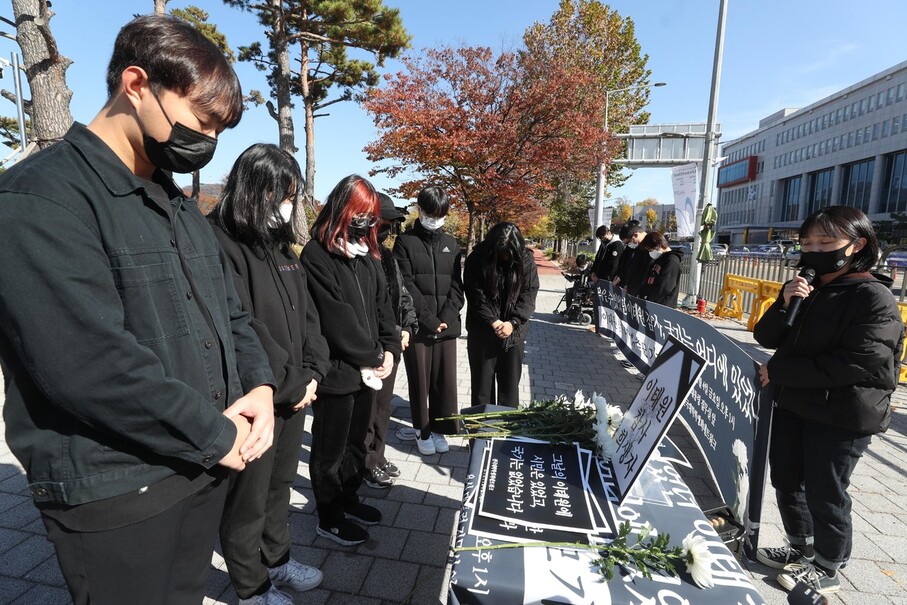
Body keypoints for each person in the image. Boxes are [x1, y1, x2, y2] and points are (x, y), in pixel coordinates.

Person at [0, 15, 277, 605]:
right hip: (117, 488)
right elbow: (86, 363)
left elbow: (230, 312)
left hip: (199, 465)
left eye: (219, 130)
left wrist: (257, 384)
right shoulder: (41, 198)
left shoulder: (175, 204)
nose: (207, 141)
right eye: (201, 121)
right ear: (136, 84)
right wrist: (212, 430)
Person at [752, 206, 903, 596]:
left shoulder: (874, 297)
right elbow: (766, 337)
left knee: (826, 488)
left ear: (858, 245)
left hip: (842, 413)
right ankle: (800, 547)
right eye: (807, 242)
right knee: (786, 479)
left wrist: (780, 373)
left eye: (825, 241)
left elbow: (854, 363)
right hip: (795, 403)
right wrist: (785, 302)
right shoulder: (808, 287)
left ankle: (829, 563)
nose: (814, 249)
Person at [210, 144, 331, 604]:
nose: (288, 206)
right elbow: (244, 325)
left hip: (297, 392)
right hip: (256, 395)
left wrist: (314, 372)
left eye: (292, 197)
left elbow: (308, 318)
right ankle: (250, 586)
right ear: (254, 190)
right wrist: (294, 381)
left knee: (278, 487)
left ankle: (277, 561)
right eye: (282, 196)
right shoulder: (221, 242)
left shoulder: (278, 244)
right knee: (247, 498)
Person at [300, 175, 401, 546]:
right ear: (343, 209)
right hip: (338, 371)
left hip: (369, 372)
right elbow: (335, 318)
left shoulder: (367, 254)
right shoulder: (317, 255)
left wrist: (390, 348)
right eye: (360, 214)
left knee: (357, 444)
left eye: (371, 216)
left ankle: (349, 498)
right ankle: (328, 515)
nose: (367, 223)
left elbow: (383, 308)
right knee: (330, 449)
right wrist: (374, 354)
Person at [393, 185, 465, 456]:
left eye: (440, 214)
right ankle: (422, 430)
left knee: (444, 382)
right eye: (430, 213)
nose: (434, 218)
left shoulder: (452, 244)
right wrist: (428, 319)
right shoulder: (405, 242)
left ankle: (441, 429)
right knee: (420, 380)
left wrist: (445, 318)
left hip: (447, 326)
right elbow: (406, 285)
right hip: (419, 327)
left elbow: (457, 287)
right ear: (419, 209)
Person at [363, 193, 418, 489]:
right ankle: (366, 461)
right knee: (368, 408)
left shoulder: (386, 255)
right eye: (384, 224)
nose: (388, 230)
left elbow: (401, 292)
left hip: (391, 342)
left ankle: (378, 454)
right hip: (371, 345)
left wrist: (408, 326)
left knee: (384, 407)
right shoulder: (358, 255)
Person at [464, 222, 540, 406]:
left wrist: (512, 322)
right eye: (501, 253)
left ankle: (506, 432)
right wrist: (494, 321)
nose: (505, 257)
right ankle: (480, 432)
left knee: (509, 389)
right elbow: (475, 295)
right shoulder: (477, 258)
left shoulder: (526, 260)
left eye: (509, 253)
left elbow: (529, 295)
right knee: (482, 390)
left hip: (513, 334)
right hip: (482, 333)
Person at [637, 232, 683, 307]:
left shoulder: (672, 260)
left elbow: (665, 287)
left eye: (650, 250)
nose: (650, 253)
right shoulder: (660, 258)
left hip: (663, 305)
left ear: (658, 245)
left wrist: (651, 299)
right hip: (651, 302)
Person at [612, 221, 644, 289]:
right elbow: (625, 264)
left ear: (635, 235)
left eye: (628, 242)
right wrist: (619, 276)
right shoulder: (631, 247)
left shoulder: (648, 248)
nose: (628, 245)